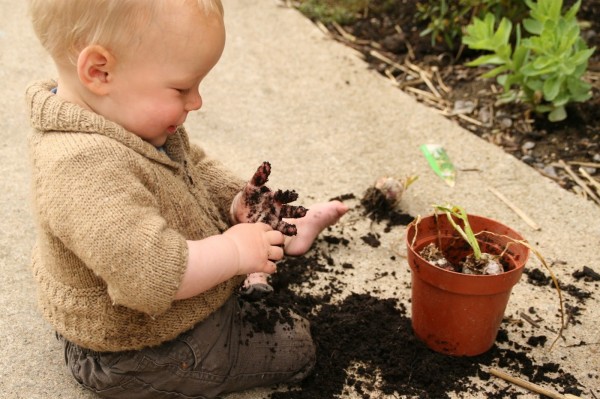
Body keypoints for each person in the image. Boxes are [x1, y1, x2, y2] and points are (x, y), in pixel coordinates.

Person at [26, 0, 348, 398]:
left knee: (246, 253)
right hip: (138, 351)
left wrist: (237, 204)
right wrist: (231, 251)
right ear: (99, 71)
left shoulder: (123, 114)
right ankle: (245, 281)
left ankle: (271, 248)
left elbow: (191, 167)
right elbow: (147, 275)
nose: (196, 102)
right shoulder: (82, 168)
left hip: (160, 302)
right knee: (297, 344)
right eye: (182, 88)